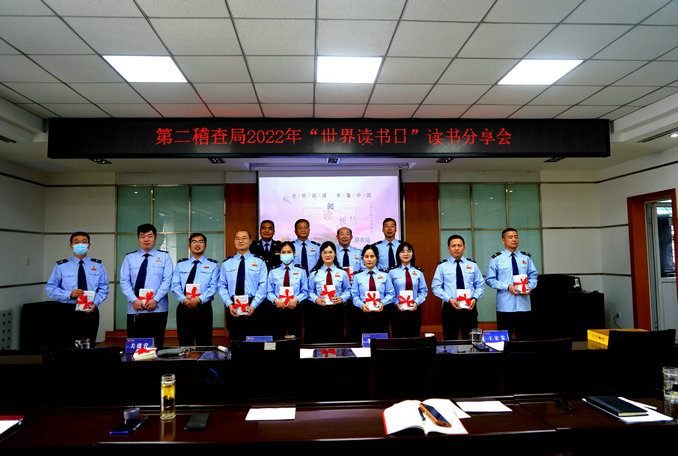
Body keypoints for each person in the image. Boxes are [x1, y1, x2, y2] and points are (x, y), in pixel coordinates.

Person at [45, 231, 109, 346]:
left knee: (88, 345)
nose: (80, 245)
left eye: (84, 242)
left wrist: (95, 303)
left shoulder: (98, 265)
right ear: (71, 246)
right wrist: (69, 294)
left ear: (89, 245)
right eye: (76, 242)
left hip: (90, 309)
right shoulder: (61, 266)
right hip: (66, 310)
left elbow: (104, 289)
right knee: (67, 345)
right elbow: (50, 288)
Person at [120, 223, 173, 349]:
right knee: (135, 347)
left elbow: (167, 281)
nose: (146, 239)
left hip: (157, 309)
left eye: (150, 236)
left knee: (156, 346)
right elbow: (124, 281)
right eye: (142, 236)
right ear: (138, 238)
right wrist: (134, 300)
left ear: (155, 238)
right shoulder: (129, 258)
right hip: (135, 309)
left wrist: (155, 300)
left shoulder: (164, 257)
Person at [485, 228, 538, 339]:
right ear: (503, 240)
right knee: (504, 340)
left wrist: (530, 286)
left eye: (516, 236)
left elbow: (533, 276)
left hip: (524, 306)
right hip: (505, 306)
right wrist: (507, 287)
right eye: (510, 237)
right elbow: (490, 280)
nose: (514, 239)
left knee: (524, 339)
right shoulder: (497, 259)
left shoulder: (526, 258)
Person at [218, 230, 268, 342]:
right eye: (237, 238)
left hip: (253, 305)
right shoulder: (227, 263)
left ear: (250, 241)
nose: (241, 241)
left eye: (244, 238)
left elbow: (263, 285)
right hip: (233, 306)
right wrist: (229, 304)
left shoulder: (259, 261)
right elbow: (221, 285)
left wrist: (254, 305)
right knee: (235, 341)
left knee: (253, 342)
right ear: (234, 241)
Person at [432, 234, 485, 340]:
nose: (456, 248)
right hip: (450, 308)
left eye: (459, 245)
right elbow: (436, 287)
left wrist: (475, 298)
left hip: (470, 307)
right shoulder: (442, 266)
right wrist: (449, 299)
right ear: (448, 248)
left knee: (473, 340)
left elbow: (480, 285)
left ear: (464, 247)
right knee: (450, 340)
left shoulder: (473, 265)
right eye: (453, 246)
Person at [170, 233, 219, 346]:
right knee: (185, 343)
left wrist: (198, 299)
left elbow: (213, 286)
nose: (197, 244)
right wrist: (183, 299)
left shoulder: (213, 265)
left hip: (203, 308)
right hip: (184, 307)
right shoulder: (181, 265)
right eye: (194, 242)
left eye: (201, 242)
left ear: (205, 246)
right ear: (189, 246)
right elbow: (175, 285)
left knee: (204, 343)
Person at [306, 241, 351, 344]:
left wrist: (342, 298)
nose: (328, 255)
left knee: (337, 340)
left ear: (335, 254)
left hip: (337, 311)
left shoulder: (342, 273)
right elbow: (309, 291)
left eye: (330, 252)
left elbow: (348, 290)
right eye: (325, 252)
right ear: (321, 254)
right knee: (320, 340)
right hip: (319, 311)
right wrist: (316, 299)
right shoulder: (314, 273)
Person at [266, 241, 308, 340]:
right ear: (279, 254)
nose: (286, 254)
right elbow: (269, 291)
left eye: (289, 252)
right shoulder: (273, 271)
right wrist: (275, 300)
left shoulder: (301, 271)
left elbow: (305, 291)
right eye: (283, 252)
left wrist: (296, 300)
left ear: (294, 254)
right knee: (278, 339)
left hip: (295, 309)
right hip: (278, 309)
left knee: (295, 339)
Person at [351, 244, 395, 337]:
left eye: (372, 256)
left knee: (381, 342)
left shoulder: (384, 275)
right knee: (365, 342)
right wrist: (361, 305)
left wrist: (382, 303)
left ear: (377, 258)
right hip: (363, 313)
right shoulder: (357, 276)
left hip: (381, 313)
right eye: (366, 256)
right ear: (363, 258)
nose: (369, 259)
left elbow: (391, 294)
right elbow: (354, 295)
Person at [388, 242, 428, 338]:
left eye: (408, 251)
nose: (406, 254)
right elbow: (389, 291)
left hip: (414, 310)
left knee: (414, 338)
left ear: (412, 253)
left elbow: (423, 291)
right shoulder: (392, 272)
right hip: (397, 311)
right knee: (398, 339)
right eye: (402, 251)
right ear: (398, 254)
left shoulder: (418, 272)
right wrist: (396, 303)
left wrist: (416, 303)